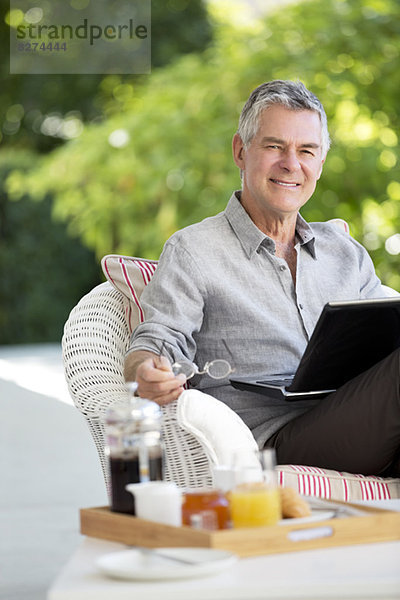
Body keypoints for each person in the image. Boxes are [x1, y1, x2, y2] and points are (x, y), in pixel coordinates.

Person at [124, 80, 400, 477]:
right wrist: (147, 370)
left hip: (365, 425)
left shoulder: (344, 252)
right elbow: (157, 341)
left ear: (320, 163)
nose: (292, 163)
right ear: (240, 150)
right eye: (275, 146)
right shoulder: (194, 250)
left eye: (307, 151)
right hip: (274, 442)